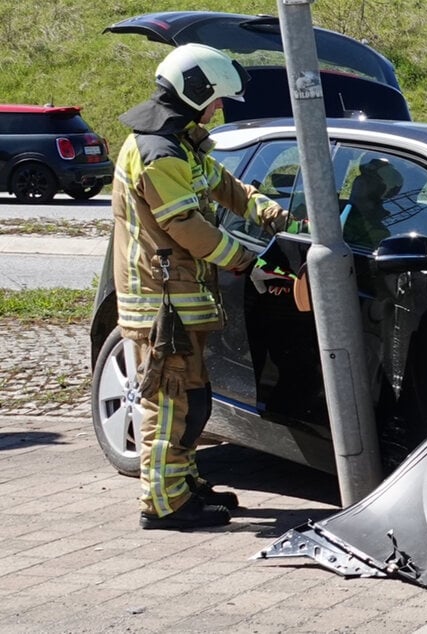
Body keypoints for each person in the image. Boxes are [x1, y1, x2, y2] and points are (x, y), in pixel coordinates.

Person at [112, 43, 306, 530]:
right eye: (216, 98)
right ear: (195, 92)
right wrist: (247, 260)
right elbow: (185, 226)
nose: (218, 108)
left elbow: (228, 189)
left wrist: (278, 217)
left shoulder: (181, 144)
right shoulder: (157, 152)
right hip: (161, 305)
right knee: (169, 402)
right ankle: (163, 505)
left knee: (192, 403)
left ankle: (184, 485)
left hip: (182, 299)